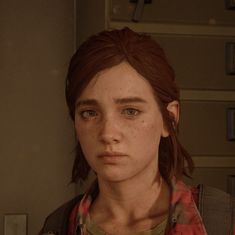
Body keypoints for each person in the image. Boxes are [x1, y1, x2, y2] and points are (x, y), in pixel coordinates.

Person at [40, 27, 235, 235]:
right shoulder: (57, 227)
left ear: (169, 120)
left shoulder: (223, 221)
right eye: (89, 113)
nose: (108, 133)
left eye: (130, 111)